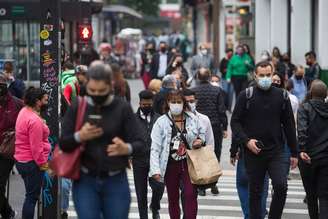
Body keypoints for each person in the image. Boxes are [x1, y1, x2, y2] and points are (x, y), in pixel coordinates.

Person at [60, 61, 144, 219]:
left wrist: (127, 148)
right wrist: (80, 136)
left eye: (102, 91)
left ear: (110, 86)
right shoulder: (78, 106)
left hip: (115, 179)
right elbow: (63, 143)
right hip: (85, 179)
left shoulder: (122, 108)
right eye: (92, 90)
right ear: (86, 85)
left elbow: (140, 141)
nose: (97, 94)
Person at [231, 61, 298, 219]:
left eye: (268, 75)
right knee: (255, 191)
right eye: (262, 75)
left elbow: (289, 124)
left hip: (277, 151)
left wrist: (295, 152)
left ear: (273, 73)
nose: (265, 78)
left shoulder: (281, 96)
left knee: (281, 186)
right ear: (255, 75)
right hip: (253, 152)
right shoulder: (246, 95)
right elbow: (235, 122)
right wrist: (246, 142)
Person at [149, 90, 205, 219]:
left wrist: (200, 141)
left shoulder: (192, 119)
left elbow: (202, 135)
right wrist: (155, 170)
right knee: (173, 198)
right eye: (173, 102)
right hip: (169, 165)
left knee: (190, 194)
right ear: (168, 103)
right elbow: (155, 148)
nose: (176, 104)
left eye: (178, 102)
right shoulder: (161, 122)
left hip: (189, 164)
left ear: (183, 103)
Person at [14, 88, 51, 219]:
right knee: (31, 198)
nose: (48, 102)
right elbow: (36, 149)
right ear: (37, 101)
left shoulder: (24, 112)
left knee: (29, 196)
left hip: (22, 160)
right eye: (45, 100)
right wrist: (45, 166)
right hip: (32, 163)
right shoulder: (34, 121)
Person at [192, 68, 228, 195]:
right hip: (214, 125)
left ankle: (201, 187)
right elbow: (221, 110)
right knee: (214, 154)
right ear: (209, 77)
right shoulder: (217, 90)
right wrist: (225, 127)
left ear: (197, 77)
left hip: (197, 126)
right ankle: (213, 184)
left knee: (199, 155)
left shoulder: (193, 91)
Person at [297, 80, 328, 219]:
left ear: (310, 93)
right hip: (326, 158)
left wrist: (302, 149)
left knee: (311, 195)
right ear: (326, 94)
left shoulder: (304, 108)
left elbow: (302, 129)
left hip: (308, 158)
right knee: (325, 195)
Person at [133, 90, 165, 219]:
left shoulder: (159, 118)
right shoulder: (132, 119)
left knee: (158, 187)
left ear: (152, 103)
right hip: (138, 160)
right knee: (141, 193)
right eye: (144, 104)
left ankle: (155, 206)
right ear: (140, 103)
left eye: (149, 104)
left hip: (155, 160)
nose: (146, 107)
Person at [0, 75, 23, 219]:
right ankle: (7, 212)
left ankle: (7, 212)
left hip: (7, 151)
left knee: (0, 183)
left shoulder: (16, 104)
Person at [230, 134, 269, 219]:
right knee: (261, 188)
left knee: (243, 186)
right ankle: (259, 214)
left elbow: (236, 129)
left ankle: (249, 215)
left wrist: (233, 151)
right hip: (263, 151)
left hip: (245, 150)